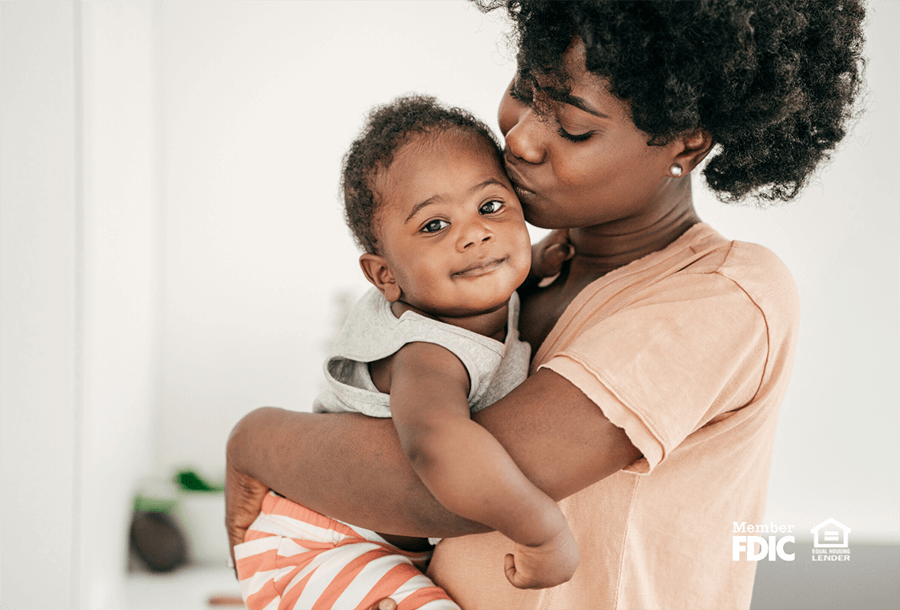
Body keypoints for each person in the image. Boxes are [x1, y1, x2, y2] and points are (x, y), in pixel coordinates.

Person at [226, 1, 865, 608]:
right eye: (526, 92)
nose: (523, 141)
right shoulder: (512, 270)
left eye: (576, 127)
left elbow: (438, 492)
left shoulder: (725, 293)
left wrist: (257, 439)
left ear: (685, 145)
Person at [232, 95, 579, 610]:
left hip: (359, 547)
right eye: (435, 226)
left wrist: (537, 258)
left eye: (490, 207)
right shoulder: (427, 352)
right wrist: (540, 529)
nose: (475, 234)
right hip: (321, 547)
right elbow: (436, 445)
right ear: (385, 276)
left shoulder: (474, 302)